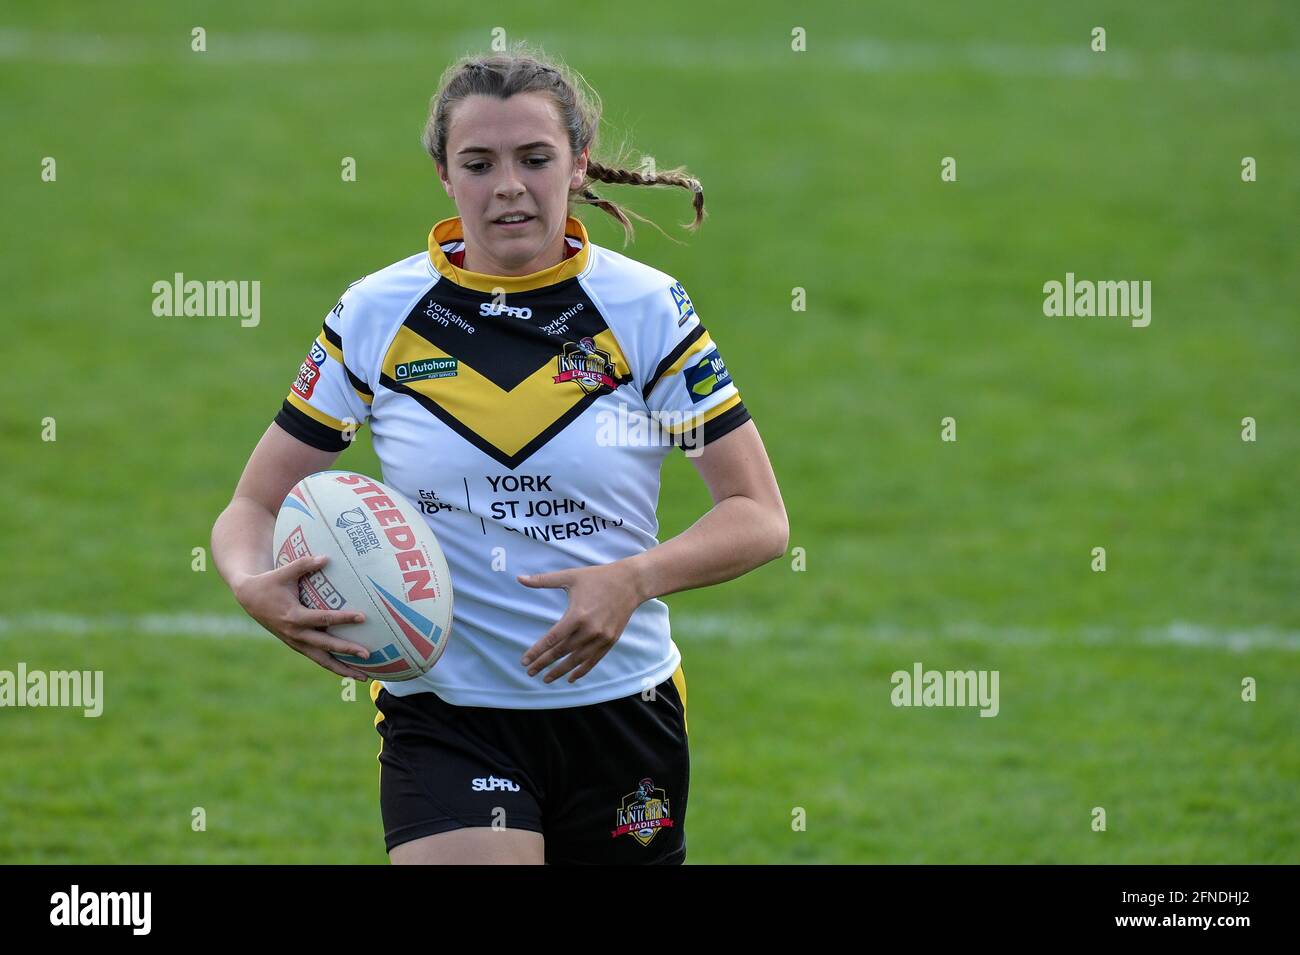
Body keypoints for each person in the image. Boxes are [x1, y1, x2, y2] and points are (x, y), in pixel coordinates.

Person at [210, 43, 788, 865]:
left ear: (579, 164)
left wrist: (635, 577)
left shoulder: (647, 310)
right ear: (446, 176)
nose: (508, 185)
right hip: (446, 712)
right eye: (478, 162)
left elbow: (759, 517)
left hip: (622, 710)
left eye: (535, 158)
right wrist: (248, 582)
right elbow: (252, 506)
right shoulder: (377, 315)